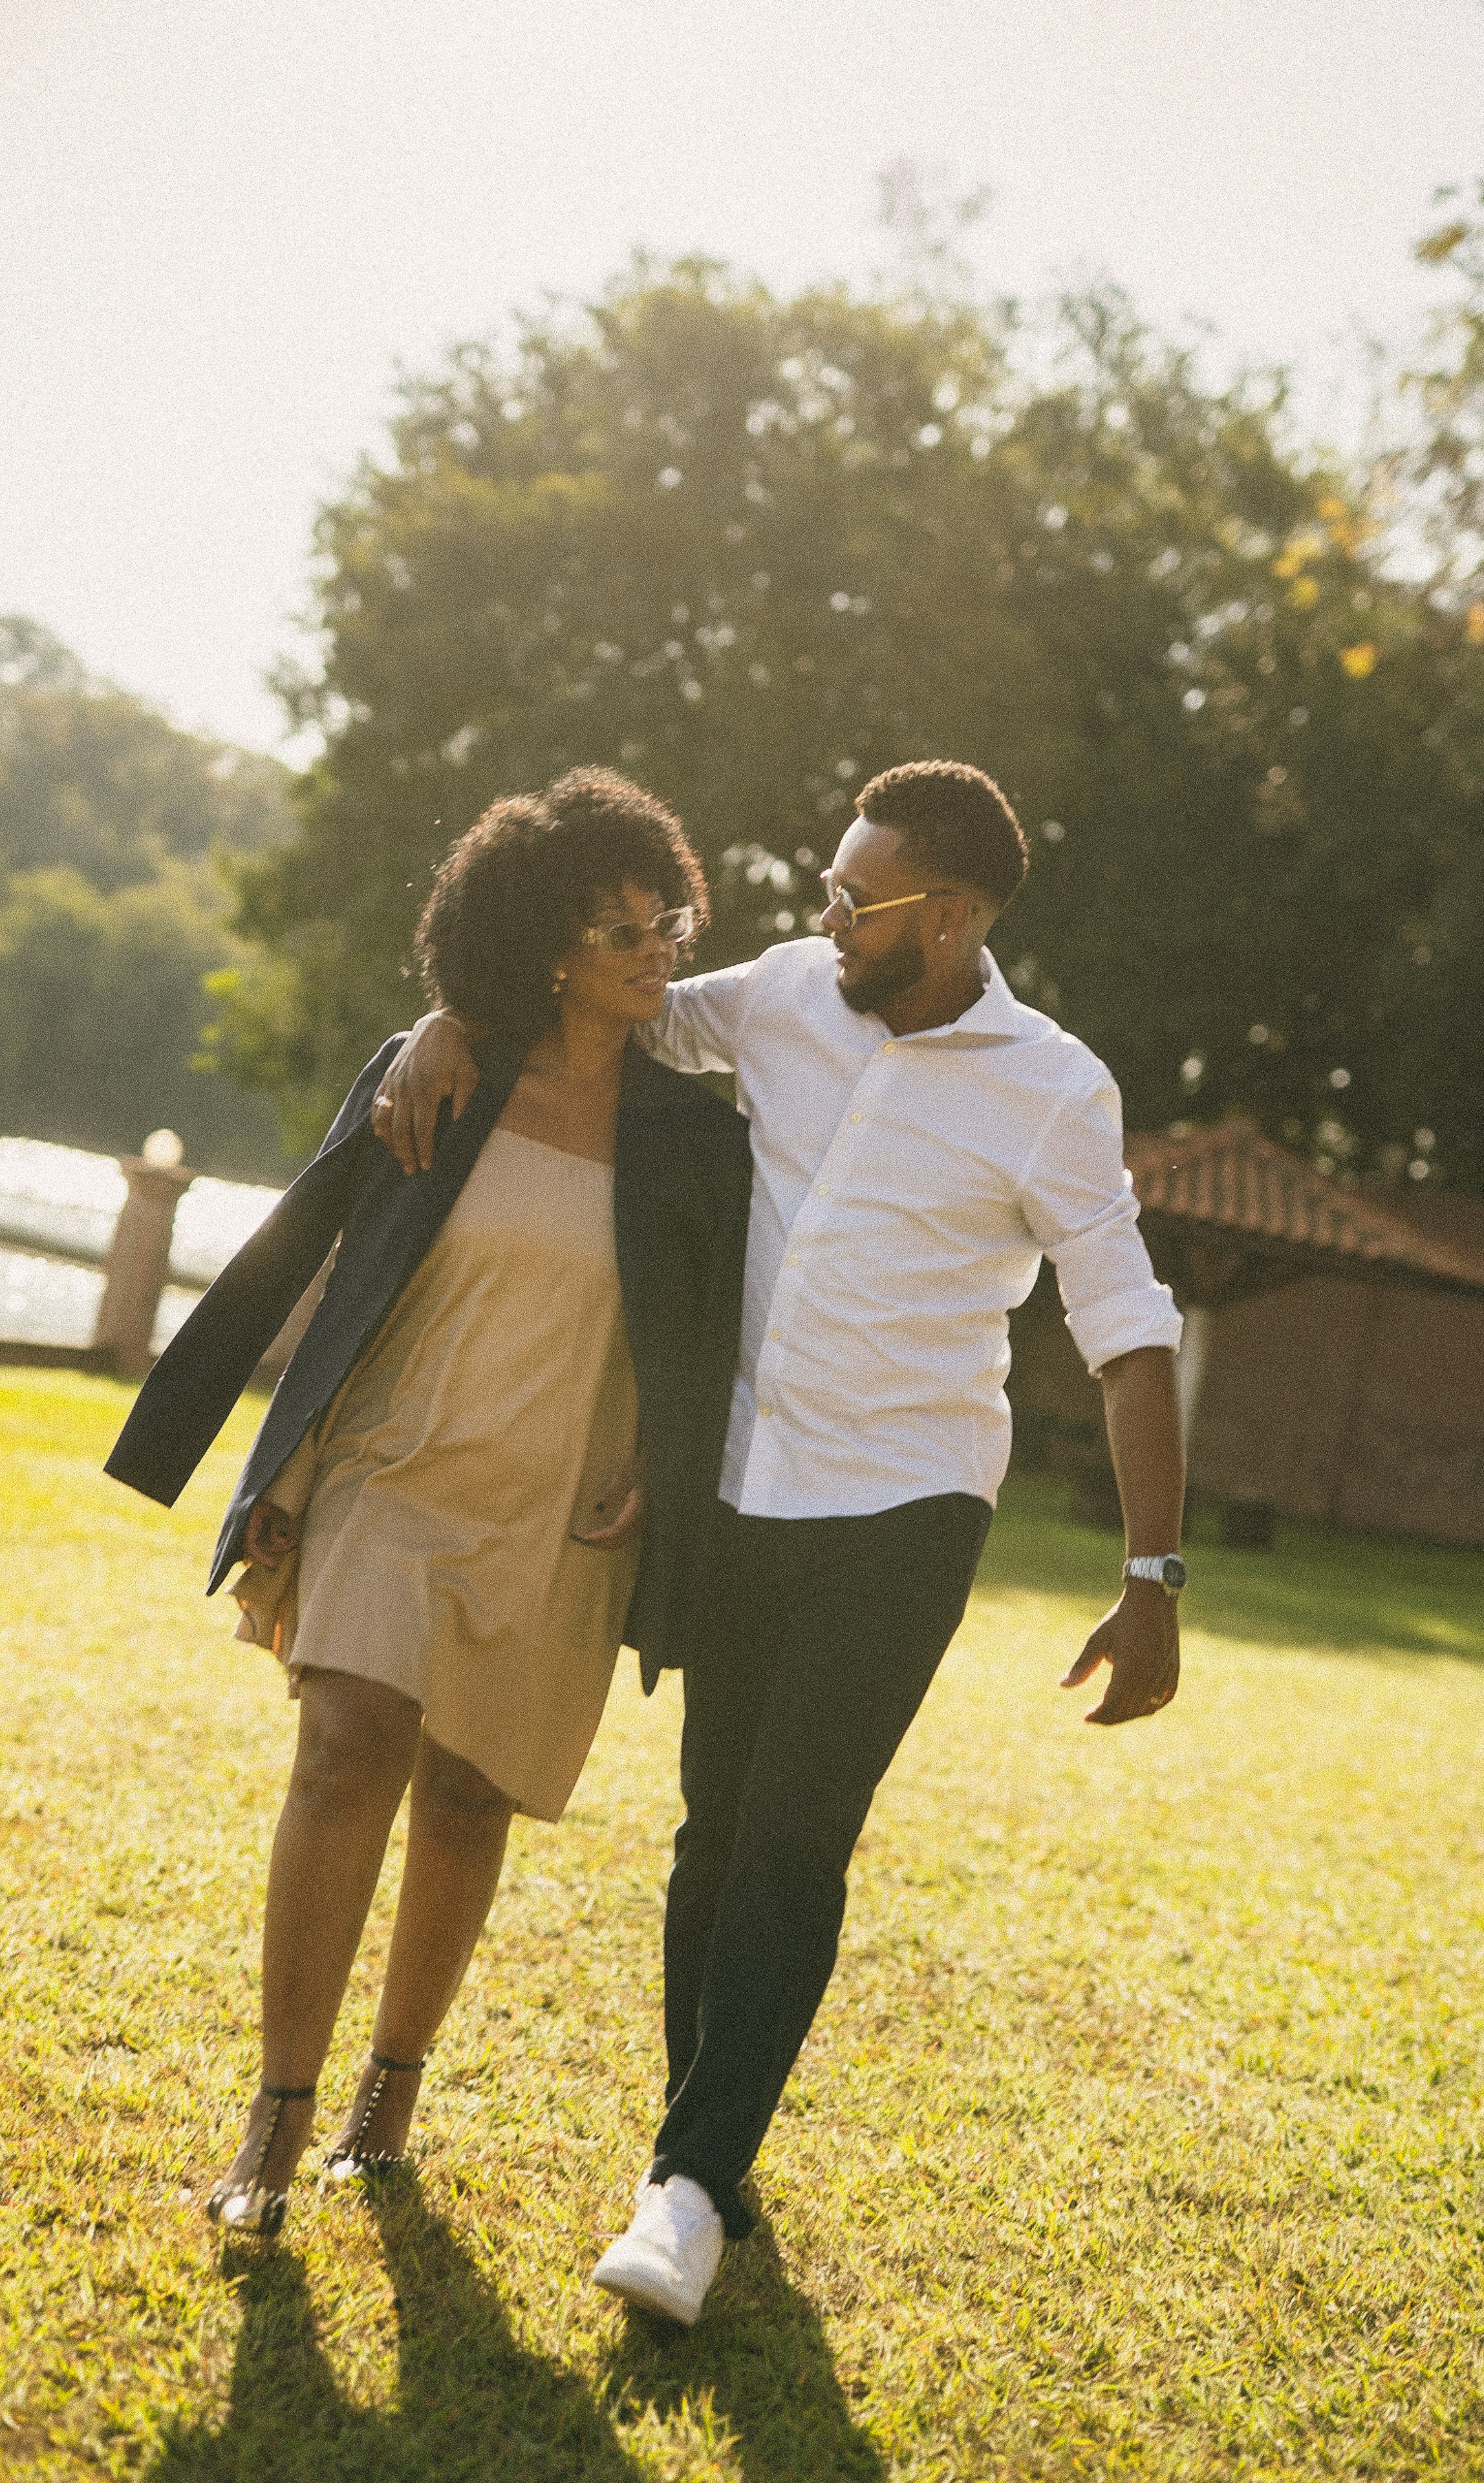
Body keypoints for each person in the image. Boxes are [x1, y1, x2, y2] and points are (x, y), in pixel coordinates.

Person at [373, 758, 1187, 2324]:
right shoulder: (780, 998)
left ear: (945, 920)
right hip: (740, 1490)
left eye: (853, 898)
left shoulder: (1053, 1089)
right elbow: (601, 1011)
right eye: (824, 887)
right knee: (711, 1833)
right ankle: (710, 2156)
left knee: (794, 1836)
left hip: (905, 1507)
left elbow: (1124, 1330)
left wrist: (1150, 1578)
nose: (820, 918)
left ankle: (678, 2191)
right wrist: (448, 1023)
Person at [104, 768, 750, 2239]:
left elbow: (701, 1336)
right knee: (343, 1753)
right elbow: (332, 1266)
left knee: (466, 1796)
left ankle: (386, 2100)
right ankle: (272, 2119)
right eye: (620, 927)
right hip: (395, 1467)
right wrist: (290, 1462)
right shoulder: (437, 1077)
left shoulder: (695, 1138)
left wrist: (662, 1469)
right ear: (543, 948)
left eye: (671, 916)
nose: (660, 947)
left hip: (561, 1504)